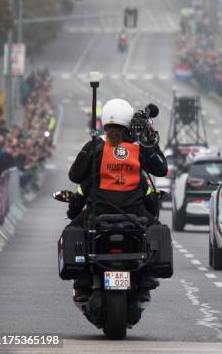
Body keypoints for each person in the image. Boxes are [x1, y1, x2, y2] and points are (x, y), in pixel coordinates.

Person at [67, 98, 168, 302]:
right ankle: (147, 275)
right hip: (135, 214)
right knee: (158, 229)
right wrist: (148, 142)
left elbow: (75, 176)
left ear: (105, 121)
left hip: (97, 213)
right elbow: (161, 169)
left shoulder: (94, 146)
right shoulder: (138, 148)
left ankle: (82, 279)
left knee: (71, 231)